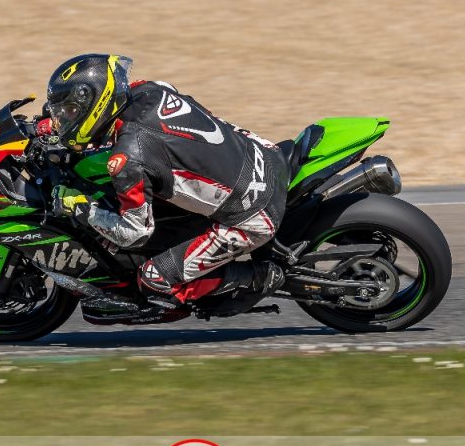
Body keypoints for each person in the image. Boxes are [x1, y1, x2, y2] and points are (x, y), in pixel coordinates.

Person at [44, 53, 286, 309]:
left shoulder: (128, 159)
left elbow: (134, 234)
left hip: (253, 214)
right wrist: (49, 126)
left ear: (97, 104)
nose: (64, 118)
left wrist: (78, 206)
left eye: (70, 111)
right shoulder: (149, 89)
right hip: (264, 154)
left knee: (154, 280)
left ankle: (257, 276)